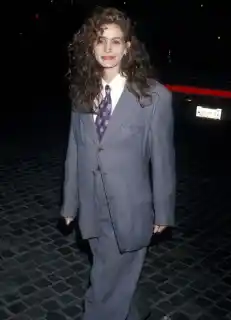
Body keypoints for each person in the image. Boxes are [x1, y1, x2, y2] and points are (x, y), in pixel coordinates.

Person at [60, 7, 175, 320]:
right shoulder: (82, 93)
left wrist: (163, 210)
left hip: (130, 209)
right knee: (114, 277)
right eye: (100, 41)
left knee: (102, 286)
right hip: (91, 207)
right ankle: (135, 312)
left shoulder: (153, 97)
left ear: (128, 47)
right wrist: (70, 204)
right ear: (91, 46)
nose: (108, 49)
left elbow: (163, 158)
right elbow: (75, 151)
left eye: (116, 41)